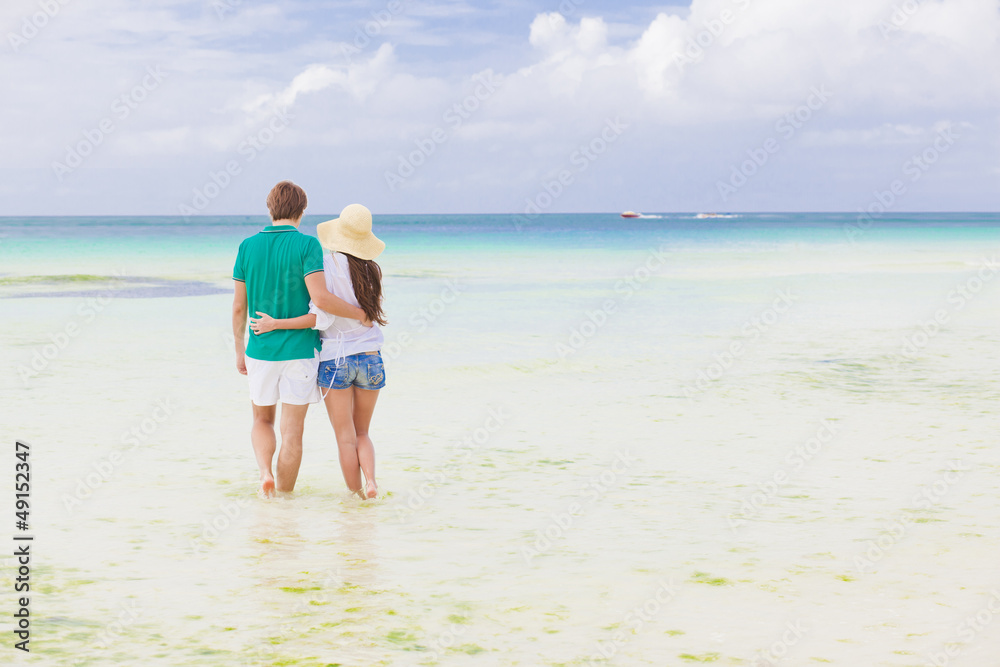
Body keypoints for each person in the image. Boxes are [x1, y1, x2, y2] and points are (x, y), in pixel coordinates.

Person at [232, 183, 370, 498]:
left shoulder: (247, 246)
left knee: (261, 420)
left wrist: (239, 349)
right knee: (292, 432)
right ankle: (284, 498)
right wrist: (360, 313)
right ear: (302, 210)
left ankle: (265, 473)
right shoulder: (307, 245)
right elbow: (320, 298)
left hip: (260, 350)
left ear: (270, 208)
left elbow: (240, 306)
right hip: (301, 351)